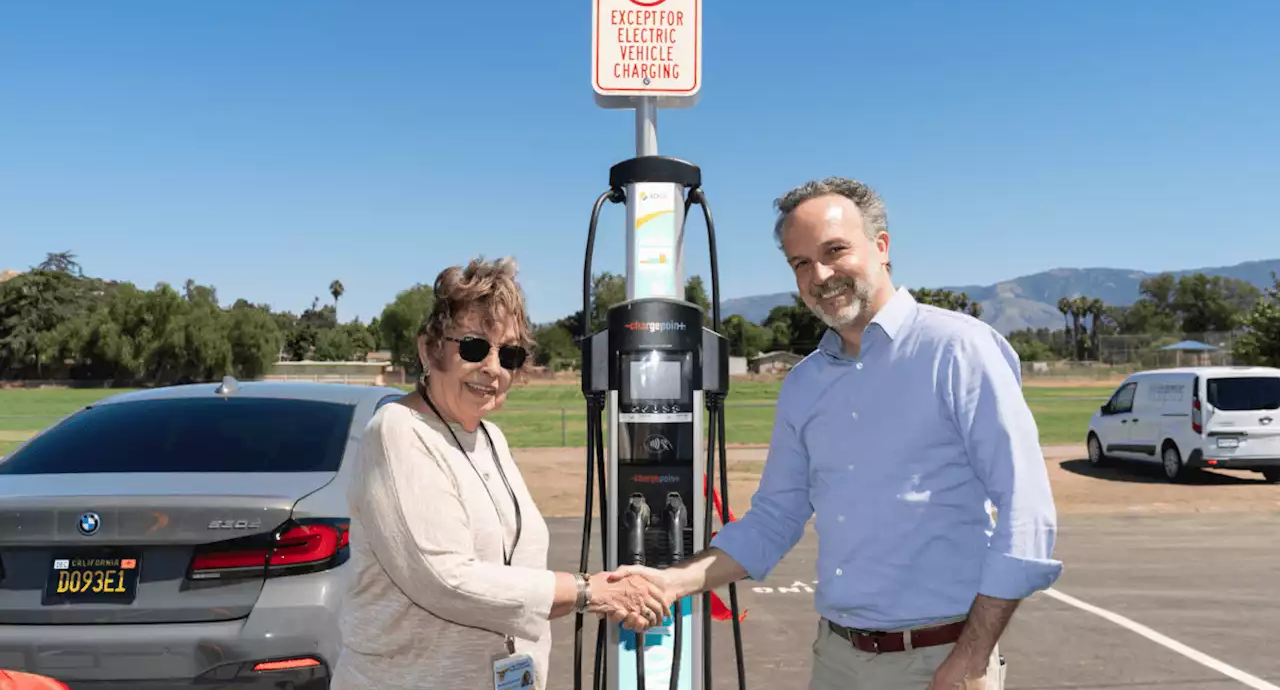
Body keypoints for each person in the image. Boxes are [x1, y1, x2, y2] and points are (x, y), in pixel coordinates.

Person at [611, 178, 1063, 689]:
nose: (820, 275)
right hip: (836, 657)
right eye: (800, 263)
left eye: (834, 251)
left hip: (940, 660)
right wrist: (671, 582)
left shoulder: (958, 350)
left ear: (882, 246)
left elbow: (1029, 514)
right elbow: (774, 519)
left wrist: (973, 658)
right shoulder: (804, 384)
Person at [331, 257, 670, 690]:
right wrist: (588, 591)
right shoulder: (398, 431)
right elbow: (446, 579)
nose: (493, 368)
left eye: (508, 354)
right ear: (429, 348)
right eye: (474, 347)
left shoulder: (491, 438)